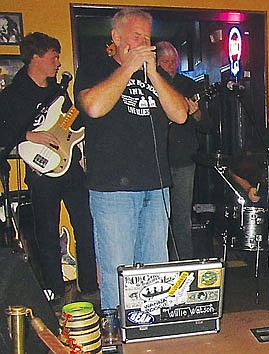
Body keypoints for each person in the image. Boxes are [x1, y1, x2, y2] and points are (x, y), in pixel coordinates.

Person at [74, 9, 188, 310]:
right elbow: (94, 107)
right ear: (116, 37)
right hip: (113, 190)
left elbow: (180, 113)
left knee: (155, 274)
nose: (143, 43)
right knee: (118, 273)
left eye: (147, 38)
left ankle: (150, 337)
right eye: (136, 36)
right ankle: (118, 339)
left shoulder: (156, 74)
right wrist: (128, 68)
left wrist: (152, 73)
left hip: (156, 186)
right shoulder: (95, 67)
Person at [0, 32, 98, 310]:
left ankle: (89, 284)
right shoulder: (13, 94)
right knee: (46, 232)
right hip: (41, 171)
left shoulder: (58, 89)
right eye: (53, 56)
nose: (57, 62)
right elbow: (3, 132)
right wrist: (30, 135)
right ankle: (53, 289)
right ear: (35, 57)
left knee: (85, 225)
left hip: (70, 168)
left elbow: (73, 125)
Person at [155, 41, 211, 261]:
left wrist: (196, 113)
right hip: (155, 160)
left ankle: (184, 262)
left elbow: (206, 125)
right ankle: (158, 262)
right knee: (157, 217)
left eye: (173, 62)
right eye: (166, 61)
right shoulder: (150, 83)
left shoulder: (188, 85)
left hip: (183, 160)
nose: (170, 66)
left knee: (181, 217)